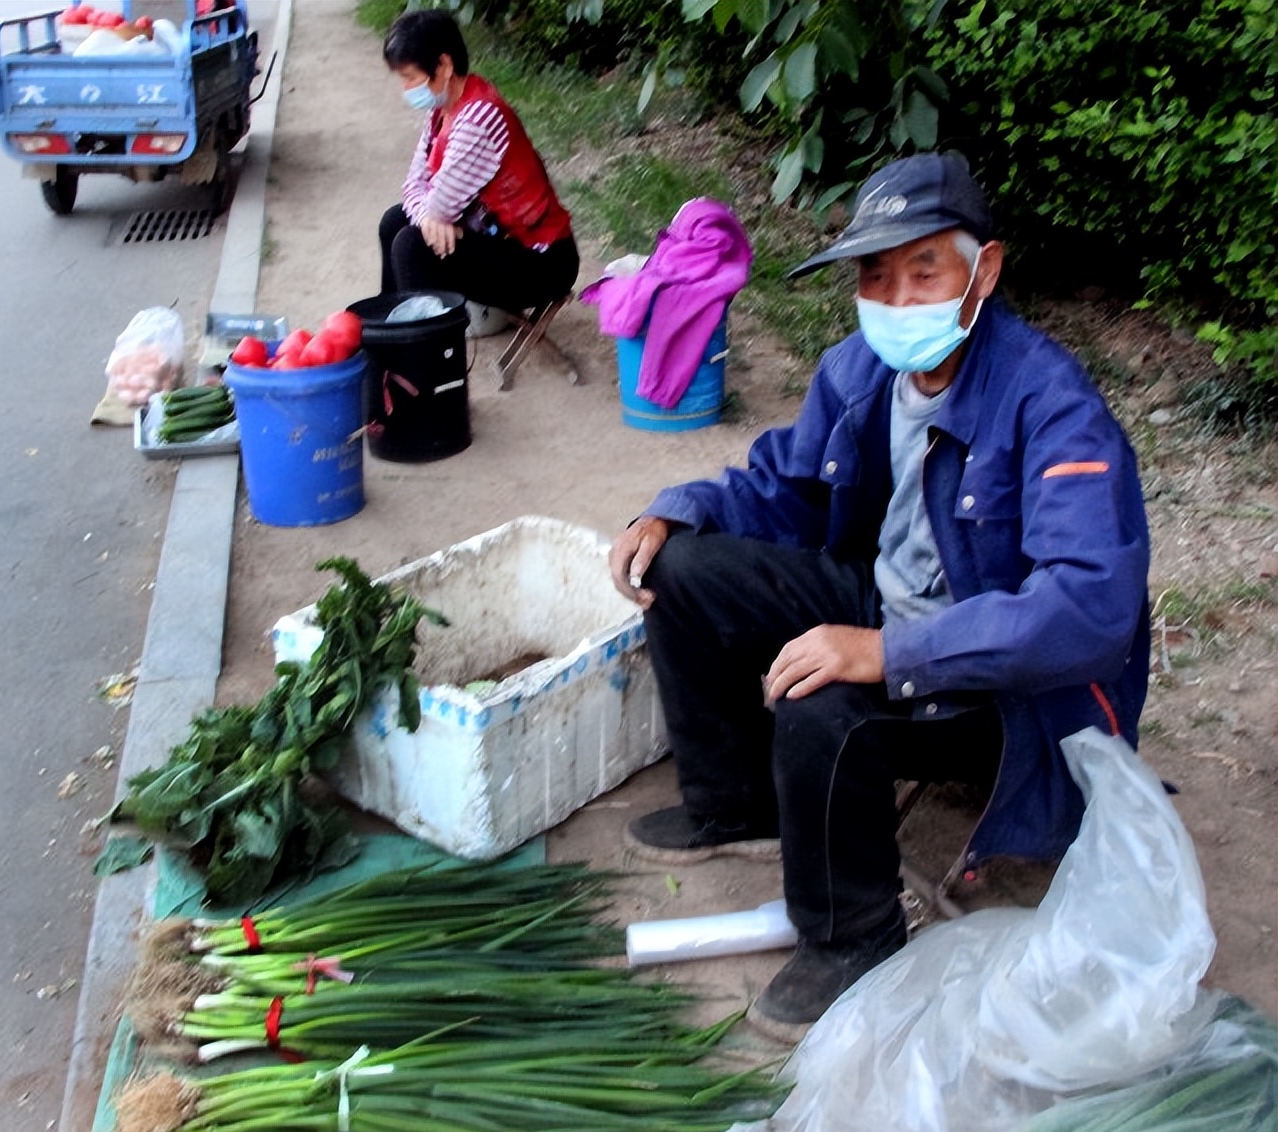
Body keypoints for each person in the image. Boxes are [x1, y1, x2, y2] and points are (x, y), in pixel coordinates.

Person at [607, 153, 1151, 1044]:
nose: (898, 300)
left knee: (828, 709)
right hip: (886, 604)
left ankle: (855, 935)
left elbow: (1089, 611)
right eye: (875, 274)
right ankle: (736, 804)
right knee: (682, 569)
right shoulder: (861, 370)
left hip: (1009, 686)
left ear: (986, 270)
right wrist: (676, 511)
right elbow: (784, 485)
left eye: (924, 269)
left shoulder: (1054, 408)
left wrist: (888, 653)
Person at [379, 10, 580, 315]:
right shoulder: (441, 112)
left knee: (412, 245)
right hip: (498, 241)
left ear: (444, 65)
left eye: (410, 78)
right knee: (393, 222)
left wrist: (434, 219)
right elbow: (413, 187)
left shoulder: (478, 120)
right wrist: (432, 220)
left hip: (542, 261)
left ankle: (420, 354)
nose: (406, 89)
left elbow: (439, 206)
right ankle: (392, 331)